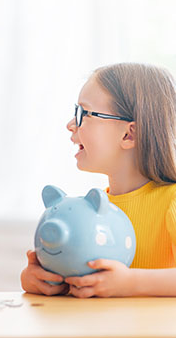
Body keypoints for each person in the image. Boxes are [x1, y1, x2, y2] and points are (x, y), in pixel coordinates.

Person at [21, 62, 176, 297]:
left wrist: (131, 282)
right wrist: (44, 279)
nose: (71, 125)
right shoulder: (95, 210)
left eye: (84, 113)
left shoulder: (171, 203)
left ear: (129, 134)